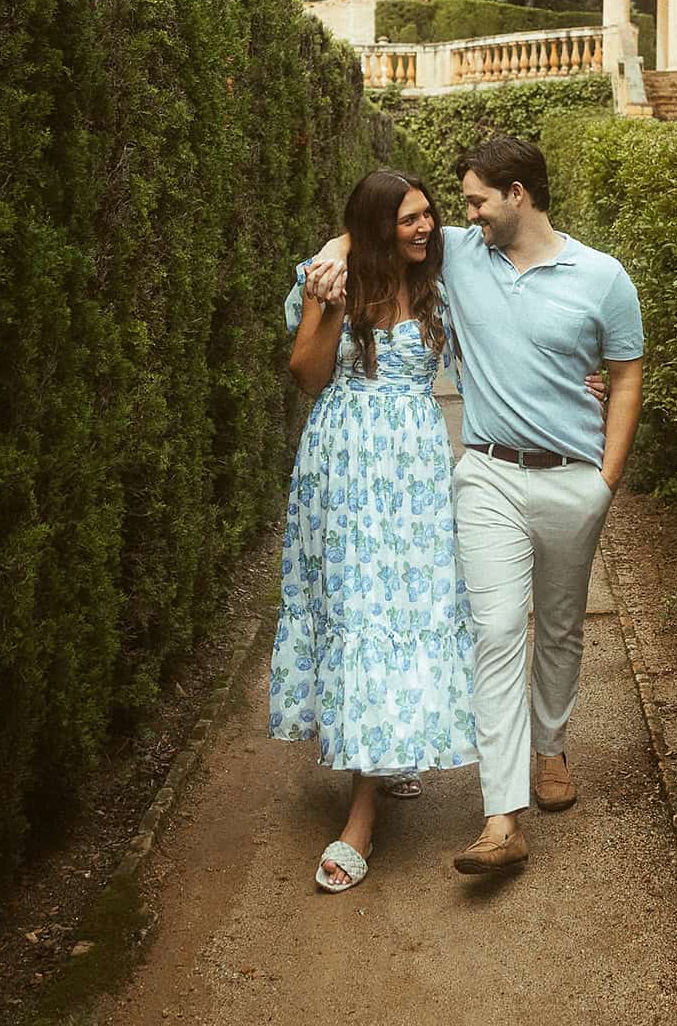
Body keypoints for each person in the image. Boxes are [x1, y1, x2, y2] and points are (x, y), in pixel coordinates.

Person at [307, 137, 644, 877]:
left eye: (473, 201)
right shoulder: (461, 252)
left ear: (516, 194)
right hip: (487, 471)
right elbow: (378, 226)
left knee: (559, 624)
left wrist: (606, 481)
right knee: (493, 631)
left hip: (573, 478)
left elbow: (624, 376)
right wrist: (334, 249)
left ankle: (549, 742)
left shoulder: (604, 277)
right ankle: (501, 819)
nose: (460, 217)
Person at [269, 169, 477, 892]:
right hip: (343, 468)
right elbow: (306, 373)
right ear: (375, 225)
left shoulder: (441, 284)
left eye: (429, 215)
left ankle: (392, 751)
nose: (425, 228)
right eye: (409, 219)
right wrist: (328, 295)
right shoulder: (332, 279)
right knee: (360, 615)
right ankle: (363, 809)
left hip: (413, 476)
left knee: (407, 612)